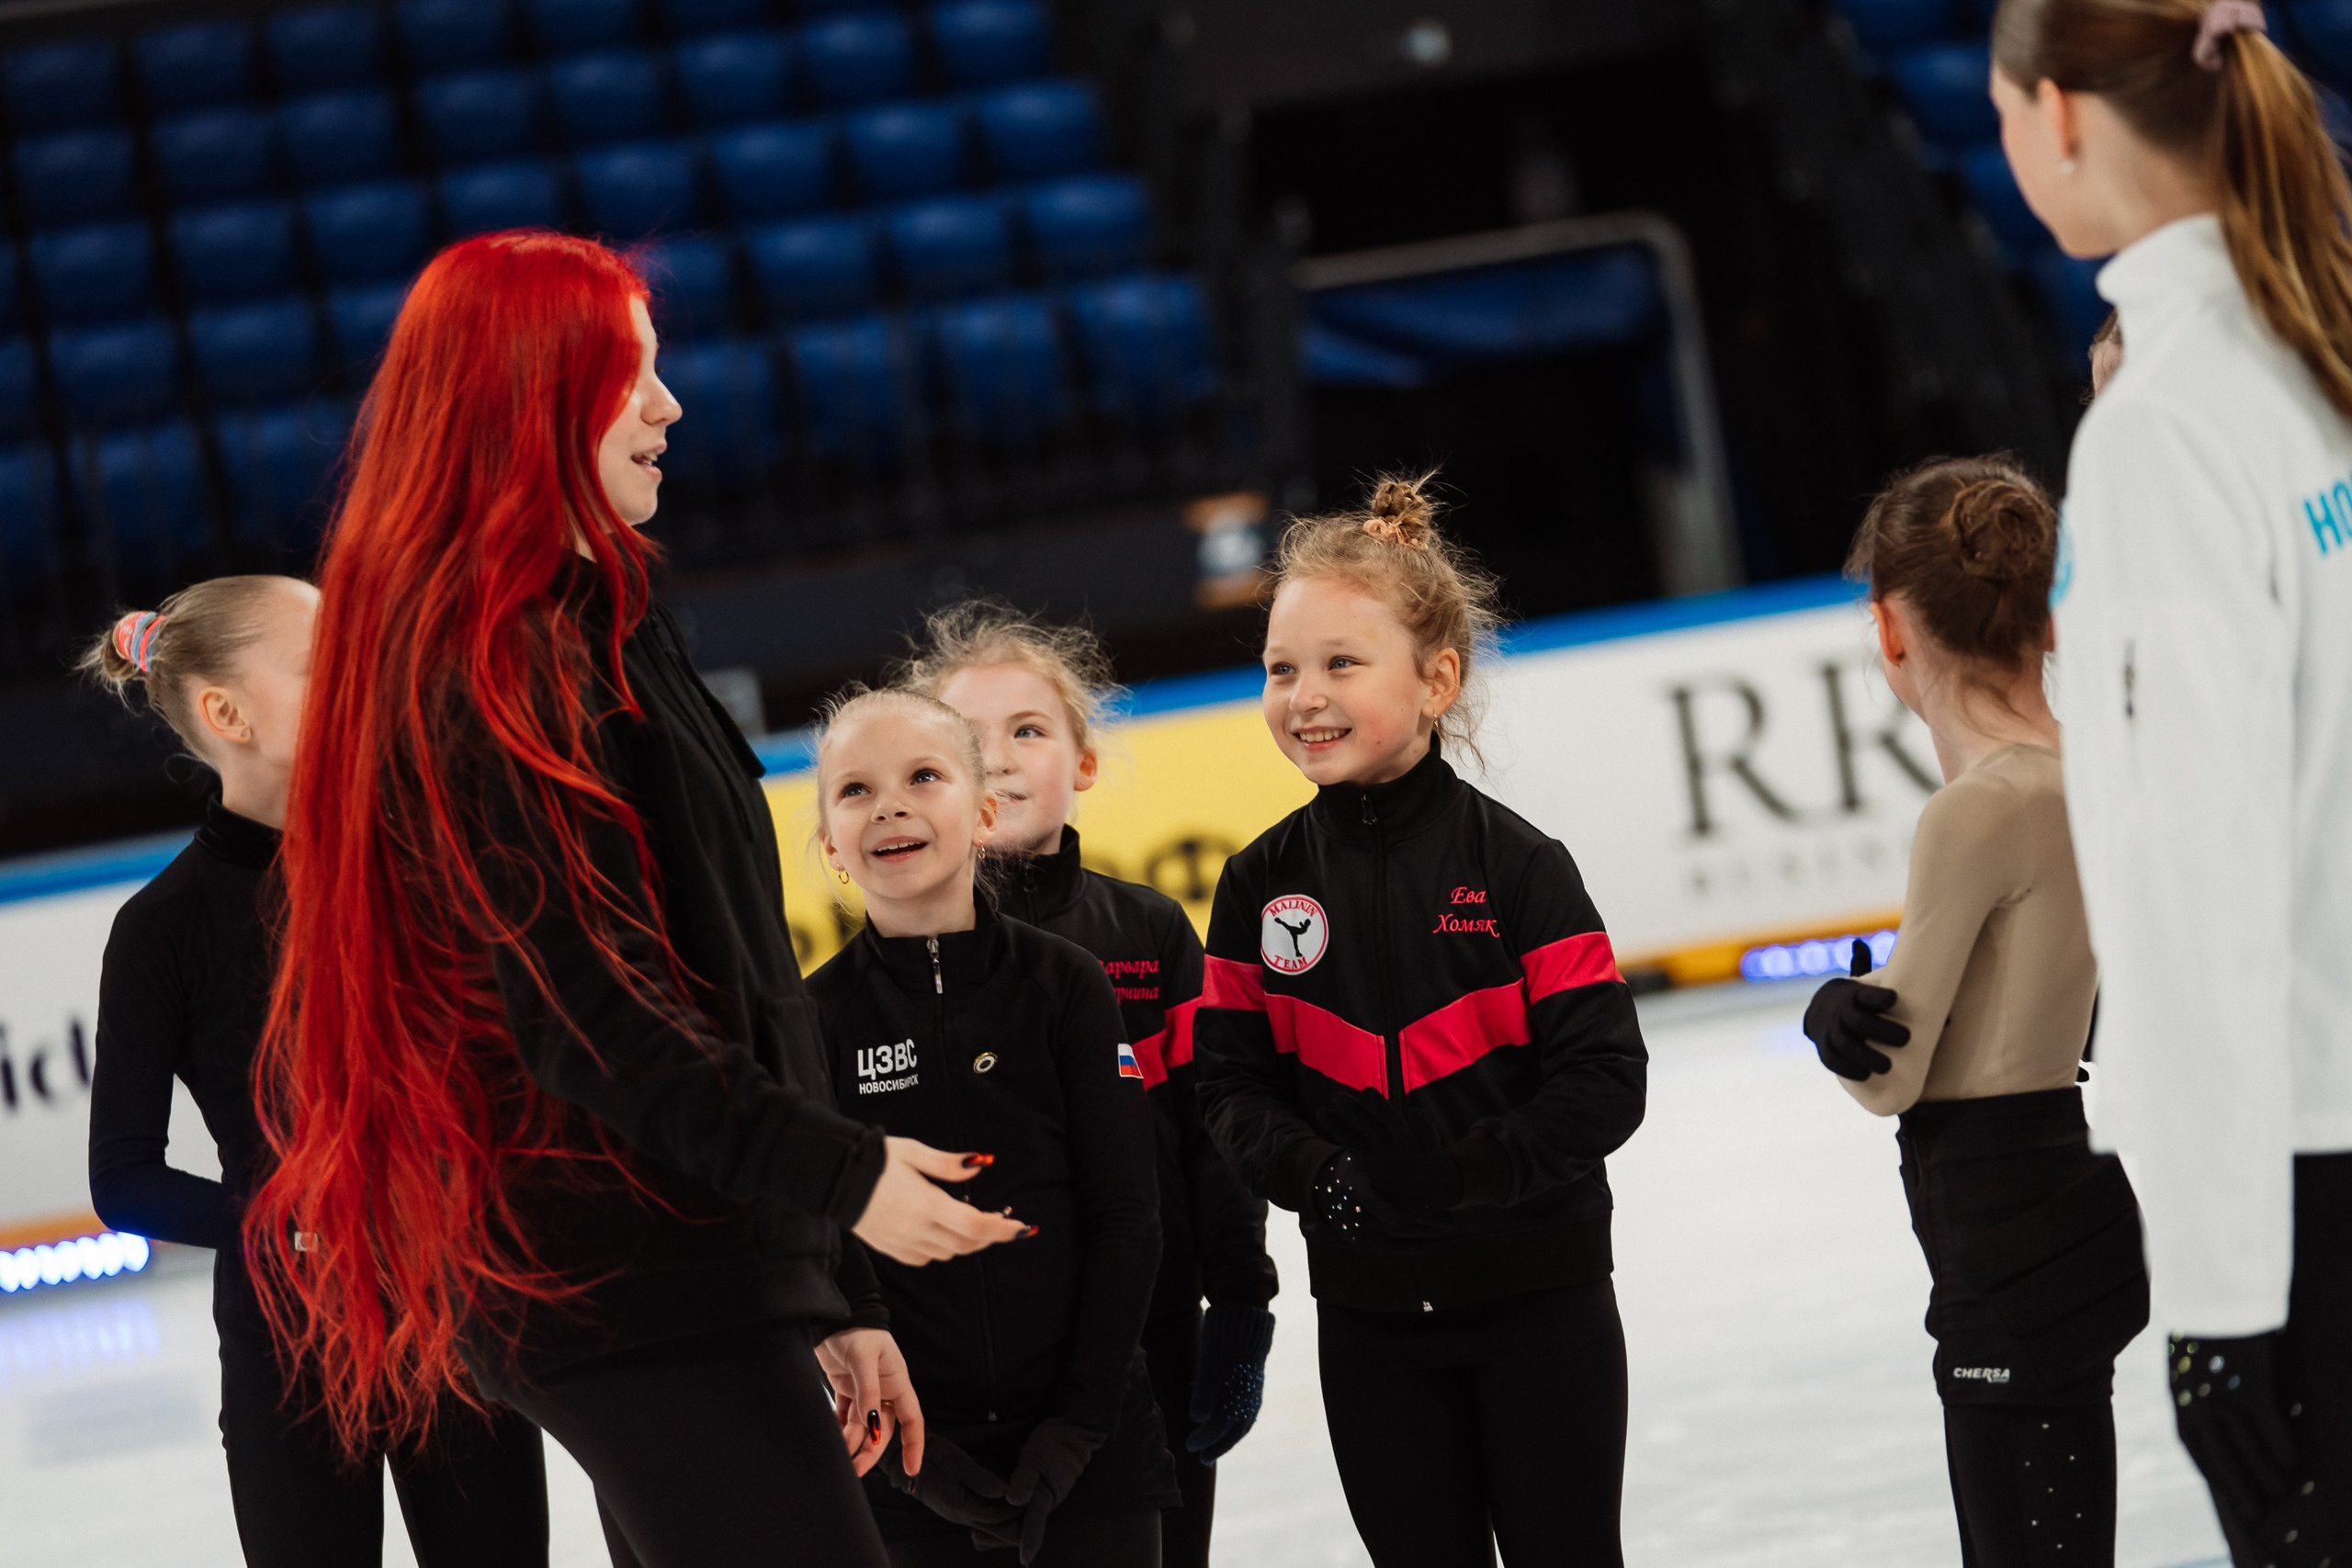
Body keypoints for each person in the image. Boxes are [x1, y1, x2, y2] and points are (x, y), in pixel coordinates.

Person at [242, 231, 1025, 1568]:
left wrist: (826, 1281)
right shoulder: (485, 669)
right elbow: (589, 1014)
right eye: (631, 376)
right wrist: (843, 1180)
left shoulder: (595, 615)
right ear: (529, 395)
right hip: (612, 1273)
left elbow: (733, 974)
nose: (669, 406)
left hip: (688, 1256)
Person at [1993, 1, 2352, 1560]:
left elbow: (2187, 885)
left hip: (2307, 1173)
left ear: (2057, 116)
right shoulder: (2314, 341)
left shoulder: (2163, 430)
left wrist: (2218, 1305)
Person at [1192, 474, 1649, 1567]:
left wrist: (1471, 1176)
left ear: (1437, 678)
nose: (1305, 695)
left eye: (1342, 664)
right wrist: (1322, 1181)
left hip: (1542, 1306)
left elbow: (1604, 1077)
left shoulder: (1522, 867)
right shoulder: (1259, 886)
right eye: (1281, 668)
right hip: (1371, 1326)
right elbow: (1227, 1087)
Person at [82, 580, 551, 1568]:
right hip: (288, 1353)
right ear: (226, 713)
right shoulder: (163, 929)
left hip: (456, 1318)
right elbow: (122, 1180)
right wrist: (286, 1221)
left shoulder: (427, 862)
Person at [1802, 458, 2148, 1567]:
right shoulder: (2101, 763)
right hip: (2073, 1185)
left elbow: (1889, 1075)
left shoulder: (1977, 809)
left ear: (1891, 630)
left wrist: (1836, 1019)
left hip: (2001, 1219)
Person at [905, 601, 1279, 1568]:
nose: (998, 758)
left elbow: (1216, 1130)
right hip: (962, 1370)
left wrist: (1239, 1302)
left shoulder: (1149, 934)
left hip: (1152, 1342)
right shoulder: (894, 963)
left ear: (1083, 763)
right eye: (963, 741)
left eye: (1027, 731)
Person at [805, 688, 1175, 1566]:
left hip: (1094, 1454)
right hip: (908, 1475)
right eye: (855, 790)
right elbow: (819, 1251)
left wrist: (1080, 1428)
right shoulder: (810, 1017)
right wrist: (910, 1466)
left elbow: (1129, 1218)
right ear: (830, 844)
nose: (889, 803)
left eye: (922, 776)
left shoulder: (1069, 984)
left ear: (981, 814)